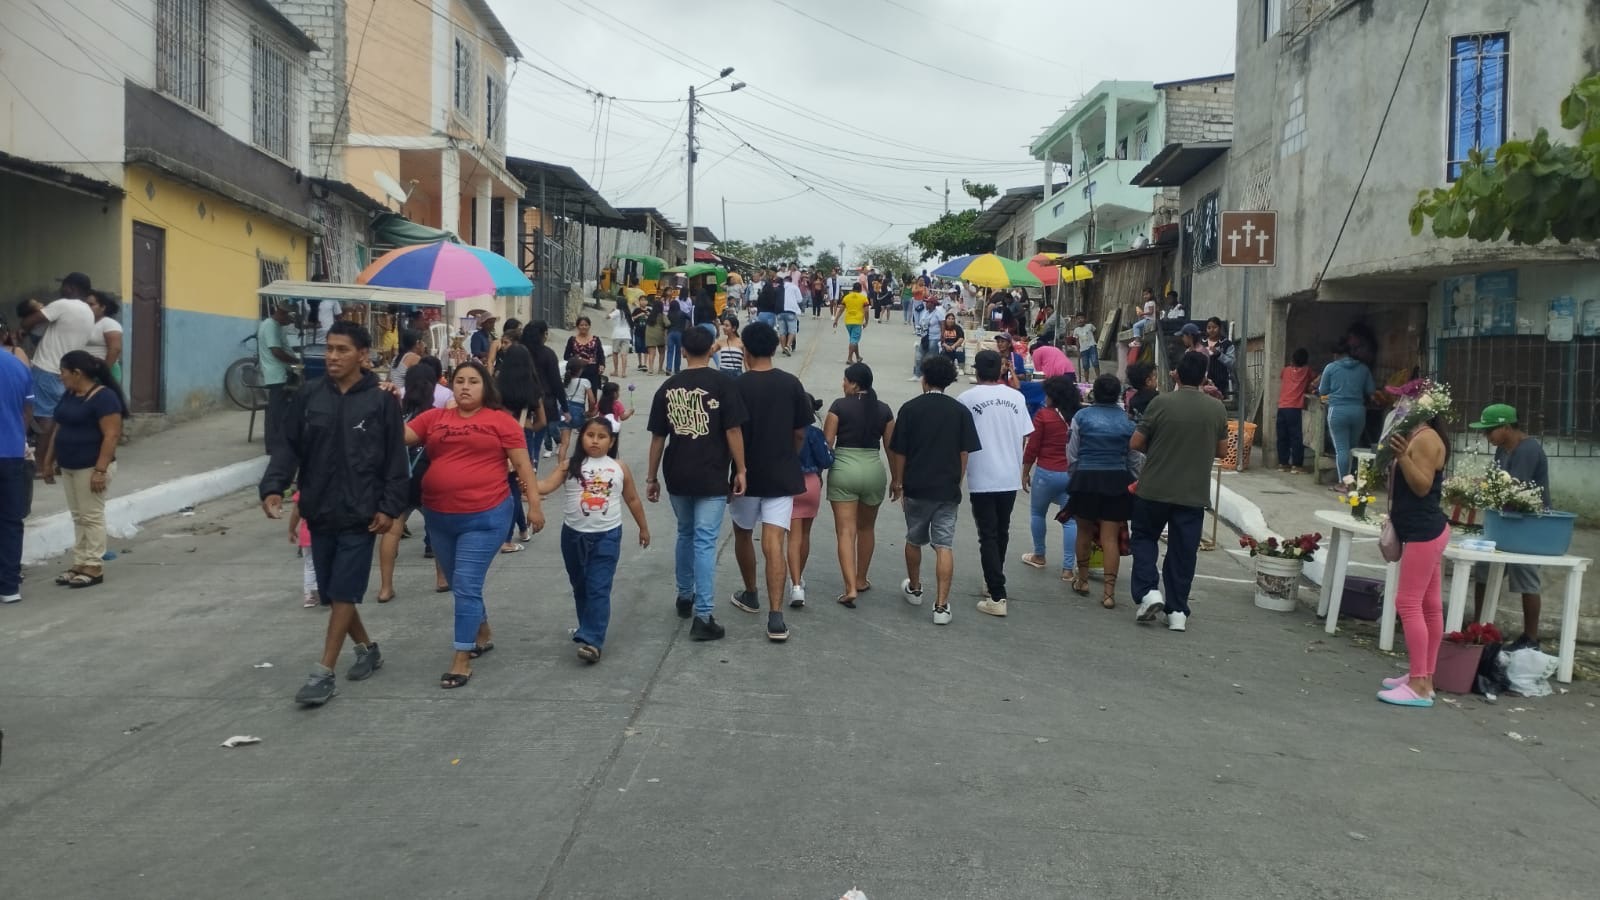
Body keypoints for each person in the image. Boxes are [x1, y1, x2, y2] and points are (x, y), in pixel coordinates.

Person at [260, 321, 408, 707]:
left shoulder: (381, 402)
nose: (332, 356)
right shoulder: (309, 396)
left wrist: (389, 507)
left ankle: (323, 672)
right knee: (332, 592)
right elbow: (288, 447)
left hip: (362, 513)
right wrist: (274, 486)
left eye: (342, 350)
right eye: (329, 348)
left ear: (363, 355)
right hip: (319, 508)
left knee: (343, 590)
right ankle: (367, 649)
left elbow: (396, 460)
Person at [405, 359, 543, 690]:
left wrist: (534, 506)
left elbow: (523, 465)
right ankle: (482, 631)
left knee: (466, 583)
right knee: (459, 582)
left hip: (485, 516)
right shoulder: (435, 418)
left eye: (473, 381)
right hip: (438, 517)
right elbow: (400, 435)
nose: (465, 387)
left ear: (485, 387)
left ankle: (461, 658)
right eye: (459, 381)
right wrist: (379, 402)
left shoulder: (501, 421)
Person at [645, 325, 748, 641]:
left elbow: (658, 437)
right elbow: (733, 430)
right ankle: (703, 616)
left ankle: (684, 595)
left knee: (685, 533)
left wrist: (651, 477)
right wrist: (741, 469)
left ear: (684, 351)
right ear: (711, 349)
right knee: (704, 541)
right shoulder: (724, 384)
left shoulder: (668, 387)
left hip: (677, 471)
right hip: (711, 472)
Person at [1128, 352, 1230, 632]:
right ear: (1204, 377)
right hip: (1193, 493)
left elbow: (1136, 442)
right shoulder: (1217, 409)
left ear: (1177, 374)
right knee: (1183, 552)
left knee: (1144, 538)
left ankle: (1149, 592)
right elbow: (1223, 451)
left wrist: (1159, 448)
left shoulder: (1161, 402)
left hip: (1154, 487)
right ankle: (1177, 612)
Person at [535, 417, 650, 664]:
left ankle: (593, 640)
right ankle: (587, 627)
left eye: (602, 437)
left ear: (612, 442)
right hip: (573, 536)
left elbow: (632, 499)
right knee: (581, 585)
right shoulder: (569, 466)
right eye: (590, 435)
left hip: (607, 536)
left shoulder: (619, 467)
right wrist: (523, 479)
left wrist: (643, 528)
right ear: (582, 438)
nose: (595, 441)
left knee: (599, 586)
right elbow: (544, 486)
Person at [725, 322, 811, 641]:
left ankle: (751, 593)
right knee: (774, 542)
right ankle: (776, 617)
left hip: (745, 475)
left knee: (743, 533)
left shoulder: (736, 386)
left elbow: (729, 431)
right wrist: (790, 455)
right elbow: (800, 431)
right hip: (781, 474)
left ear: (746, 351)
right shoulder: (791, 384)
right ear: (775, 348)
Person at [889, 354, 980, 625]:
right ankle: (941, 606)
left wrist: (899, 482)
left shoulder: (910, 409)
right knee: (944, 544)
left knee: (913, 538)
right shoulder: (960, 411)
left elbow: (900, 451)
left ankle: (915, 588)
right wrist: (957, 481)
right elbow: (964, 453)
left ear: (925, 380)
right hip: (946, 488)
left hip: (916, 486)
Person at [1378, 407, 1450, 708]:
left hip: (1424, 531)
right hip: (1423, 530)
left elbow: (1422, 486)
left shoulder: (1425, 438)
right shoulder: (1420, 436)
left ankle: (1419, 684)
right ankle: (1425, 678)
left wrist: (1403, 457)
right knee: (1430, 606)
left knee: (1407, 603)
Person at [38, 350, 127, 590]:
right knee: (78, 516)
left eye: (63, 372)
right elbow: (59, 428)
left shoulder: (104, 398)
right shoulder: (70, 394)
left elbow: (111, 435)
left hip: (91, 467)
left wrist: (100, 470)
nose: (60, 376)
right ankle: (80, 563)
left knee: (91, 516)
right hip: (69, 466)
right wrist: (48, 461)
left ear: (77, 373)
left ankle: (94, 566)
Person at [956, 350, 1034, 618]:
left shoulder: (966, 399)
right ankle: (993, 580)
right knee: (1001, 531)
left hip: (982, 476)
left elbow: (960, 441)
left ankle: (997, 594)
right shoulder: (1016, 397)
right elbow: (1025, 435)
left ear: (976, 370)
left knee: (988, 534)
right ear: (1000, 370)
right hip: (1008, 475)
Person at [1468, 404, 1551, 650]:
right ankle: (1478, 626)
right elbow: (1495, 482)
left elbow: (1515, 487)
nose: (1486, 436)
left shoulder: (1527, 450)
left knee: (1526, 578)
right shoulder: (1502, 450)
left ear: (1506, 427)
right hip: (1505, 523)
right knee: (1484, 569)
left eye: (1489, 431)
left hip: (1528, 525)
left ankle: (1530, 638)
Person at [375, 364, 450, 604]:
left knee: (392, 532)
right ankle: (442, 578)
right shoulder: (436, 416)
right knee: (438, 531)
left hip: (400, 481)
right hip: (429, 479)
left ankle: (385, 587)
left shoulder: (398, 414)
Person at [825, 362, 895, 609]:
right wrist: (898, 479)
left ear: (854, 384)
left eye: (845, 380)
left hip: (845, 469)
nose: (842, 384)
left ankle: (849, 588)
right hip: (874, 469)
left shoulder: (838, 406)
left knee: (846, 531)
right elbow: (891, 448)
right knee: (866, 528)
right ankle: (861, 579)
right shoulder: (884, 410)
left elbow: (827, 443)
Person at [1065, 374, 1139, 609]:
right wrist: (1132, 479)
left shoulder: (1081, 417)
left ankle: (1083, 580)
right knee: (1110, 538)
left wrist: (1075, 476)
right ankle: (1108, 594)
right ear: (1118, 395)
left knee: (1084, 531)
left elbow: (1072, 453)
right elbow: (1133, 459)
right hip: (1116, 481)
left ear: (1094, 393)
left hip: (1086, 478)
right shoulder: (1128, 422)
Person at [17, 275, 96, 457]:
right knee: (56, 419)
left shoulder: (63, 305)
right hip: (67, 373)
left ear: (71, 288)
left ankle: (37, 462)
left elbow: (28, 322)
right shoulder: (88, 312)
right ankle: (50, 461)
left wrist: (24, 327)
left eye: (64, 286)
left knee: (42, 418)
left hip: (46, 369)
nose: (61, 290)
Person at [1021, 375, 1082, 582]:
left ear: (1053, 396)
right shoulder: (1078, 416)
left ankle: (1039, 555)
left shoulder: (1044, 416)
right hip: (1070, 474)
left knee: (1038, 513)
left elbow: (1033, 447)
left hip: (1046, 473)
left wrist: (1025, 471)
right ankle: (1067, 569)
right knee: (1070, 521)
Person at [496, 343, 548, 552]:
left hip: (500, 435)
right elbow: (542, 421)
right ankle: (507, 538)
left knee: (510, 485)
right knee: (518, 487)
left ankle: (522, 529)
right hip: (523, 437)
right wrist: (529, 426)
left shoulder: (497, 386)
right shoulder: (533, 388)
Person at [787, 395, 832, 609]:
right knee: (805, 535)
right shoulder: (815, 433)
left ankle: (795, 585)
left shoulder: (784, 431)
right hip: (812, 485)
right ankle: (799, 578)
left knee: (792, 538)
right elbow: (826, 460)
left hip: (790, 483)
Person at [1319, 337, 1376, 483]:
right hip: (1358, 412)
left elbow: (1322, 390)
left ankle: (1344, 483)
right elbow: (1371, 390)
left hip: (1337, 411)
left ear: (1335, 354)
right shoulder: (1363, 368)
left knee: (1341, 449)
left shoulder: (1330, 368)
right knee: (1352, 448)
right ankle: (1353, 480)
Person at [0, 338, 31, 604]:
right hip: (11, 452)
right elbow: (27, 411)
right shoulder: (18, 365)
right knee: (10, 521)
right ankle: (9, 587)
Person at [254, 303, 299, 456]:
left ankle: (279, 442)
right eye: (289, 317)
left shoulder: (276, 326)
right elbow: (276, 351)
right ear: (282, 313)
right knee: (276, 412)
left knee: (280, 411)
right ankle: (273, 446)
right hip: (276, 374)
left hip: (279, 373)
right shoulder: (270, 326)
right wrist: (296, 361)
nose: (289, 321)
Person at [519, 320, 567, 461]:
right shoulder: (548, 354)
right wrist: (565, 407)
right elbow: (556, 382)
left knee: (522, 442)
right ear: (544, 334)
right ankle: (532, 468)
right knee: (536, 443)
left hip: (519, 402)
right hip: (544, 404)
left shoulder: (518, 352)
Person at [1276, 348, 1318, 473]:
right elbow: (1316, 379)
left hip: (1282, 407)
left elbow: (1282, 377)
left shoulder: (1285, 370)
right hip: (1295, 408)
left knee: (1282, 436)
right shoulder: (1307, 371)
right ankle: (1297, 465)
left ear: (1292, 359)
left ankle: (1283, 463)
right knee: (1296, 437)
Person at [559, 358, 596, 461]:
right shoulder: (584, 381)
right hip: (578, 411)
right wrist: (590, 412)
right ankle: (584, 461)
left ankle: (560, 465)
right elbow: (592, 400)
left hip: (564, 411)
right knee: (584, 438)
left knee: (564, 443)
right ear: (580, 370)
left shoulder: (563, 381)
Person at [84, 291, 124, 382]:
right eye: (85, 304)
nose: (87, 307)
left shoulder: (109, 324)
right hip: (87, 370)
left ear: (102, 307)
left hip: (106, 370)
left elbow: (115, 349)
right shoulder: (84, 323)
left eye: (91, 304)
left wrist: (103, 372)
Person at [287, 493, 318, 607]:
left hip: (307, 534)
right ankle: (325, 591)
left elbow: (296, 513)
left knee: (310, 565)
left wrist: (291, 530)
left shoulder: (303, 491)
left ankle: (309, 595)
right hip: (326, 534)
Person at [909, 292, 945, 382]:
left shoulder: (938, 313)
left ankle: (928, 376)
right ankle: (917, 375)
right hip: (925, 337)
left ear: (932, 304)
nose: (926, 304)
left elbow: (942, 324)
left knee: (930, 357)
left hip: (934, 337)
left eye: (928, 302)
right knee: (919, 356)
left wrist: (942, 336)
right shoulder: (925, 313)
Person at [832, 282, 870, 365]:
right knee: (854, 340)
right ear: (860, 289)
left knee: (853, 340)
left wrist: (836, 320)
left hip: (848, 322)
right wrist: (866, 321)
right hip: (857, 322)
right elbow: (866, 311)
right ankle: (849, 358)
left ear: (852, 289)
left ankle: (858, 357)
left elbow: (841, 309)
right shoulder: (864, 298)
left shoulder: (846, 297)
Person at [564, 316, 605, 386]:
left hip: (593, 371)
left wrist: (602, 365)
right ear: (577, 326)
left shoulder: (595, 339)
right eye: (581, 325)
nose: (584, 327)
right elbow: (566, 356)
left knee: (592, 391)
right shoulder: (572, 340)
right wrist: (579, 360)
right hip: (577, 372)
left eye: (586, 325)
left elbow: (600, 355)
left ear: (589, 326)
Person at [608, 296, 635, 378]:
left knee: (615, 353)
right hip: (626, 335)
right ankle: (623, 372)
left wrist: (611, 311)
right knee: (624, 354)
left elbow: (607, 317)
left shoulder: (617, 311)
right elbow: (632, 324)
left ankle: (616, 371)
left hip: (617, 334)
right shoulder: (628, 313)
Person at [779, 275, 804, 356]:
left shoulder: (779, 287)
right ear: (791, 280)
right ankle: (788, 346)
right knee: (792, 331)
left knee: (782, 332)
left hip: (780, 311)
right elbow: (800, 299)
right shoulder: (794, 287)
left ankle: (783, 348)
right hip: (791, 311)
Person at [664, 297, 688, 374]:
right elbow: (690, 318)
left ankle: (668, 368)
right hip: (679, 333)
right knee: (678, 352)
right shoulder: (682, 313)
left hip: (670, 333)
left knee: (670, 352)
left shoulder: (669, 314)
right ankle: (677, 369)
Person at [643, 300, 667, 375]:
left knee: (651, 353)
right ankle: (660, 369)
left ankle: (650, 370)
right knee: (662, 352)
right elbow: (668, 323)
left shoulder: (650, 315)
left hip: (649, 335)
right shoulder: (662, 315)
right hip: (659, 335)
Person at [1072, 313, 1099, 379]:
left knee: (1095, 362)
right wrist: (1078, 351)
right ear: (1076, 320)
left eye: (1082, 318)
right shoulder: (1076, 330)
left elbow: (1095, 332)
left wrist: (1094, 340)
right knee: (1085, 365)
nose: (1080, 320)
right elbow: (1077, 341)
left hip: (1092, 347)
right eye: (1078, 319)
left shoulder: (1090, 326)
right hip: (1083, 349)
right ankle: (1086, 381)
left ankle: (1099, 378)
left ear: (1085, 319)